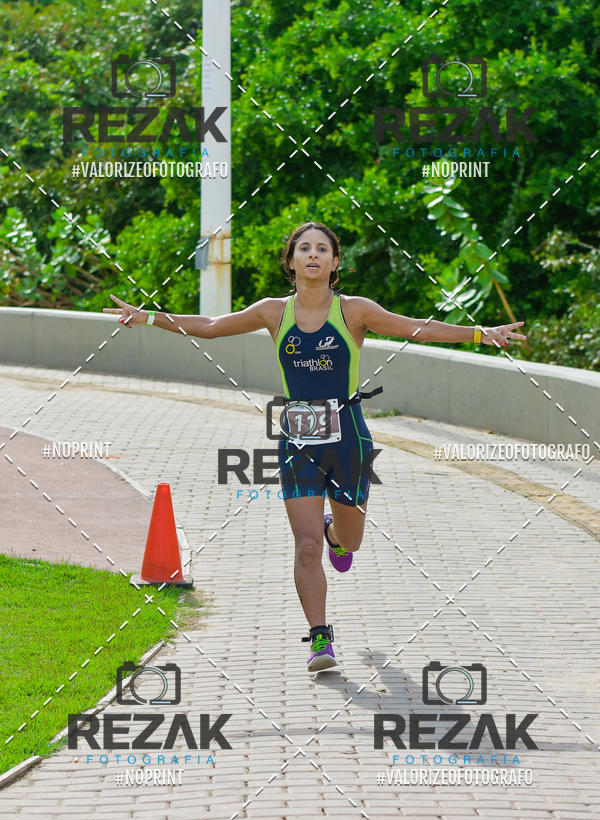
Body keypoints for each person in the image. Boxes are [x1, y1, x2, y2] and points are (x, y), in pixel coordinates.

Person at [103, 221, 526, 674]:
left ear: (334, 262)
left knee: (350, 541)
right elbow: (208, 326)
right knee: (305, 548)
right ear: (290, 261)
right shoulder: (272, 312)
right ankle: (320, 637)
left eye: (322, 249)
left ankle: (334, 535)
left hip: (348, 438)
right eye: (303, 248)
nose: (312, 255)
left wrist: (480, 333)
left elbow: (416, 329)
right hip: (296, 440)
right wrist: (147, 316)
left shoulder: (354, 311)